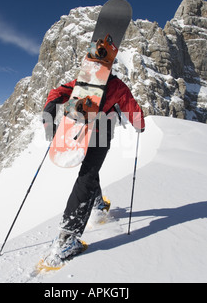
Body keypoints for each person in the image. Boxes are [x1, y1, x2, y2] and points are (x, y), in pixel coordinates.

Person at [41, 73, 145, 267]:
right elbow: (133, 109)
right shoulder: (117, 85)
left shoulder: (84, 80)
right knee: (87, 176)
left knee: (89, 172)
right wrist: (140, 125)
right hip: (101, 134)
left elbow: (58, 93)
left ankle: (97, 203)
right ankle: (67, 239)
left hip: (78, 132)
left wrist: (48, 113)